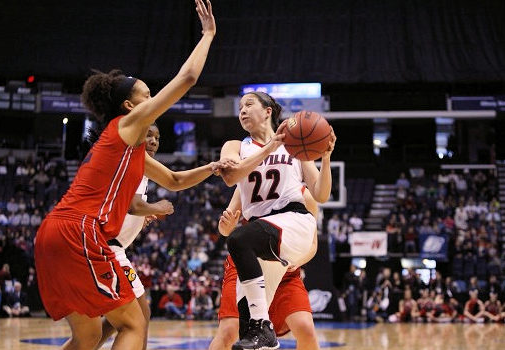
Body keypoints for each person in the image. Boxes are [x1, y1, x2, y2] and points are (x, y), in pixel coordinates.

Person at [34, 2, 216, 349]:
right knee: (135, 324)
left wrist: (211, 168)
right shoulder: (126, 126)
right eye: (148, 96)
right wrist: (207, 35)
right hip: (80, 232)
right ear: (131, 107)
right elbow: (187, 79)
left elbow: (174, 181)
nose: (153, 100)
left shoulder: (125, 149)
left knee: (86, 338)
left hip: (52, 234)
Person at [218, 91, 335, 349]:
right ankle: (263, 334)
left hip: (294, 221)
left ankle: (264, 328)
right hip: (260, 238)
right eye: (239, 107)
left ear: (268, 111)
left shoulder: (294, 146)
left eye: (249, 104)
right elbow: (231, 176)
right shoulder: (236, 146)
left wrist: (325, 157)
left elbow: (321, 194)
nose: (242, 111)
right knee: (246, 334)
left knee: (239, 239)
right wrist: (269, 148)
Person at [97, 123, 231, 349]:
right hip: (108, 249)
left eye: (157, 138)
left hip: (108, 246)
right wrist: (155, 207)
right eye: (148, 135)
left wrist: (141, 217)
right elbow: (169, 184)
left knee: (120, 320)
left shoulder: (134, 165)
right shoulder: (134, 161)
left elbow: (123, 209)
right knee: (140, 315)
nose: (153, 141)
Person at [209, 187, 320, 350]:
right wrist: (227, 226)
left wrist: (296, 261)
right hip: (247, 266)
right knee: (229, 331)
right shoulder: (246, 182)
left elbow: (313, 245)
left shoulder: (303, 194)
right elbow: (224, 230)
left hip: (285, 268)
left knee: (306, 328)